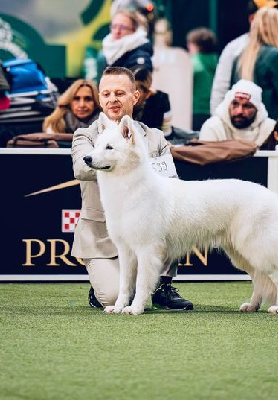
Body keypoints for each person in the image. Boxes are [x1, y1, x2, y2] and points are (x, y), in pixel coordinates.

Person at [71, 66, 193, 310]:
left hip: (148, 225)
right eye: (106, 94)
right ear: (100, 98)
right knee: (113, 295)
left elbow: (171, 180)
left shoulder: (155, 137)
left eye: (120, 93)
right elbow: (82, 169)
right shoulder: (85, 135)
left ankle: (162, 285)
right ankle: (105, 285)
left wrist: (132, 153)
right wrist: (121, 157)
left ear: (135, 97)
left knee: (167, 221)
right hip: (102, 235)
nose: (112, 99)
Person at [210, 0, 278, 121]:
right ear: (253, 19)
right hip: (270, 123)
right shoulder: (235, 49)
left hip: (253, 124)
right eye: (270, 16)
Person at [231, 7, 278, 120]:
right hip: (272, 121)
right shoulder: (276, 56)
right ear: (275, 28)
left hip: (248, 122)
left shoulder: (241, 57)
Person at [199, 78, 275, 146]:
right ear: (228, 105)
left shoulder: (269, 129)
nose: (239, 111)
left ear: (257, 109)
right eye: (235, 104)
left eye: (247, 106)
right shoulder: (213, 127)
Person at [97, 9, 153, 82]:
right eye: (114, 26)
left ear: (134, 30)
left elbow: (139, 88)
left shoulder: (141, 56)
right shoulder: (107, 51)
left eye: (123, 27)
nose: (117, 31)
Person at [186, 27, 218, 131]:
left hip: (194, 110)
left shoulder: (191, 64)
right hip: (214, 110)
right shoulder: (218, 62)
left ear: (195, 46)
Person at [132, 67, 172, 137]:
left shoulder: (161, 99)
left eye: (136, 90)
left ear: (148, 93)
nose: (132, 94)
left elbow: (166, 133)